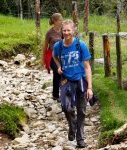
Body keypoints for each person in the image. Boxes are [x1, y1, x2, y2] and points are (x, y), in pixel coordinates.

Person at [53, 19, 93, 148]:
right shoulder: (58, 46)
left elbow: (87, 67)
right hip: (66, 80)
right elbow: (54, 56)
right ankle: (72, 125)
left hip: (80, 80)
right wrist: (59, 66)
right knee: (66, 107)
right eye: (64, 30)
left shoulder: (80, 45)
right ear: (62, 31)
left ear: (73, 31)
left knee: (81, 110)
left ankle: (80, 139)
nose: (66, 33)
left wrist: (90, 88)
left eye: (68, 30)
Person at [42, 13, 63, 100]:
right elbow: (45, 46)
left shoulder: (63, 31)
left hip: (63, 55)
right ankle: (55, 94)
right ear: (55, 21)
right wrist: (43, 58)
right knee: (57, 71)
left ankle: (65, 93)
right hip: (52, 56)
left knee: (64, 73)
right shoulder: (49, 33)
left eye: (62, 20)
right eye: (60, 20)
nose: (62, 21)